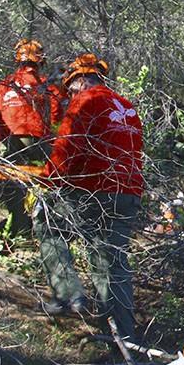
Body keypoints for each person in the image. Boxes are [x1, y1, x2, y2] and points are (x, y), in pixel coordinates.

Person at [33, 53, 143, 339]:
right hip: (128, 193)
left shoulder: (86, 101)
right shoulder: (127, 106)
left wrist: (47, 180)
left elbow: (67, 149)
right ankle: (122, 336)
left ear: (81, 81)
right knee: (113, 263)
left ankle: (68, 294)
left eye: (71, 89)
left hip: (97, 191)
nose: (70, 95)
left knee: (47, 220)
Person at [0, 39, 64, 235]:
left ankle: (20, 228)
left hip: (9, 143)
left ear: (17, 60)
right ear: (40, 61)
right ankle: (42, 226)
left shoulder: (3, 86)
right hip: (40, 142)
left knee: (12, 183)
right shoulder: (48, 87)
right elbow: (57, 117)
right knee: (43, 183)